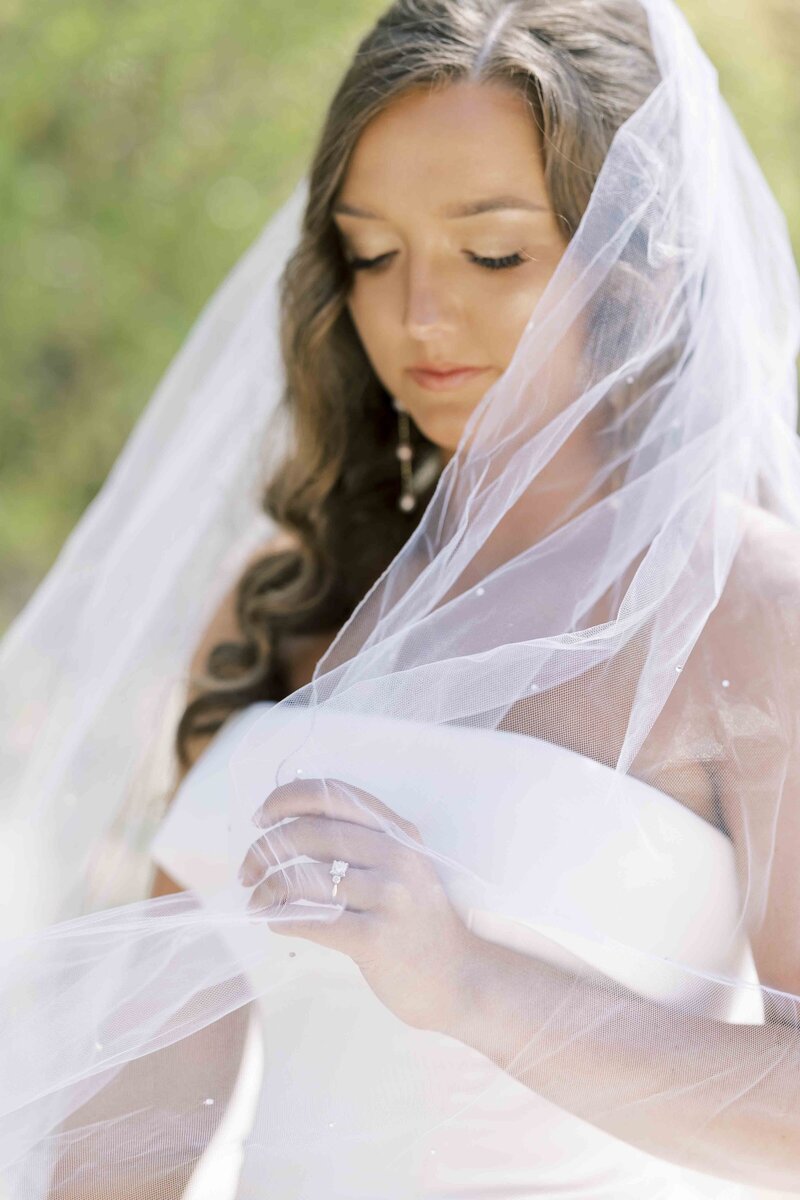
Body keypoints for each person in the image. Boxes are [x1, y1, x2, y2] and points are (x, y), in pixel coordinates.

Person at [2, 0, 800, 1197]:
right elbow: (151, 1102)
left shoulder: (742, 606)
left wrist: (473, 983)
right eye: (371, 253)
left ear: (636, 264)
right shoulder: (287, 594)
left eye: (492, 254)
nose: (417, 315)